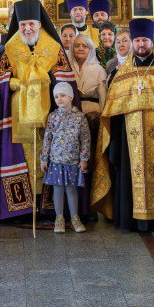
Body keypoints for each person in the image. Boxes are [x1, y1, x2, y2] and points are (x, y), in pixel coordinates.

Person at [91, 19, 154, 233]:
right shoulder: (123, 75)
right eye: (137, 40)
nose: (141, 44)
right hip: (130, 140)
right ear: (132, 42)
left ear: (150, 41)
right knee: (130, 173)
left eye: (144, 40)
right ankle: (132, 220)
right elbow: (113, 109)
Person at [0, 0, 75, 220]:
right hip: (18, 115)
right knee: (24, 159)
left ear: (39, 24)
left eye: (31, 24)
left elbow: (66, 81)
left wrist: (48, 79)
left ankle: (47, 207)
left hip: (49, 115)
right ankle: (23, 208)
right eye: (23, 25)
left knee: (47, 157)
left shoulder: (54, 47)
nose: (27, 29)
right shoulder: (10, 48)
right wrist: (14, 84)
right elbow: (1, 80)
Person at [42, 82, 92, 234]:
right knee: (57, 189)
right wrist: (44, 158)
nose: (59, 99)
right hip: (56, 161)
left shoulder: (79, 118)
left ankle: (75, 218)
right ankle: (59, 218)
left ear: (70, 97)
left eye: (62, 95)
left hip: (72, 161)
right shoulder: (52, 117)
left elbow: (85, 139)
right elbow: (47, 139)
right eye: (56, 96)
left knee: (71, 190)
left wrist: (84, 159)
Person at [68, 33, 107, 121]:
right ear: (72, 49)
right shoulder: (67, 68)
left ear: (90, 49)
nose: (80, 49)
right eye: (77, 46)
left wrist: (104, 119)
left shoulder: (99, 69)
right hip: (71, 114)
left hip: (94, 116)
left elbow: (103, 98)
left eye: (85, 46)